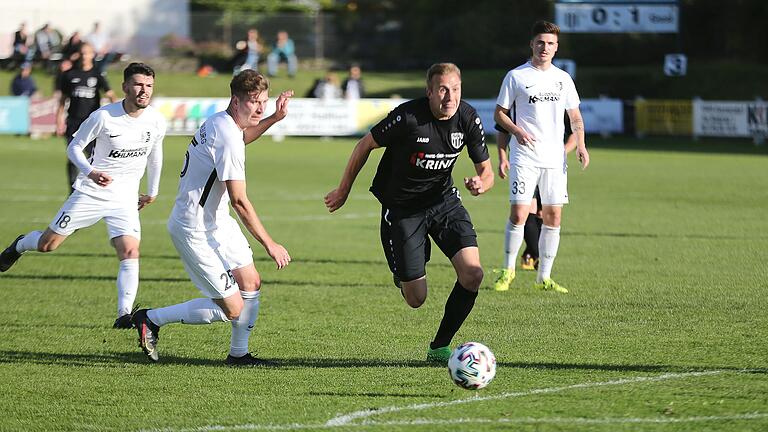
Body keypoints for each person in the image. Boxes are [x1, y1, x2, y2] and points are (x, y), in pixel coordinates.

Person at [324, 62, 494, 363]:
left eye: (455, 89)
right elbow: (365, 145)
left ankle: (440, 346)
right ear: (429, 91)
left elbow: (487, 172)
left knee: (473, 274)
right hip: (403, 209)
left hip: (444, 202)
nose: (449, 97)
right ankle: (402, 271)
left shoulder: (467, 117)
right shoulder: (408, 116)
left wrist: (481, 183)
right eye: (442, 90)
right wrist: (343, 189)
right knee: (416, 298)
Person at [131, 70, 294, 366]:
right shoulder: (227, 136)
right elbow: (240, 201)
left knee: (251, 283)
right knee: (233, 308)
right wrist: (270, 244)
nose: (260, 108)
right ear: (236, 101)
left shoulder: (221, 122)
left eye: (264, 102)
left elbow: (242, 137)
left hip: (216, 222)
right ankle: (150, 318)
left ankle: (239, 354)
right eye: (254, 102)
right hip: (193, 228)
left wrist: (273, 119)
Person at [0, 63, 166, 330]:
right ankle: (19, 245)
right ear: (124, 87)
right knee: (47, 245)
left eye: (148, 85)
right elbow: (74, 147)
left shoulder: (156, 120)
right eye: (137, 84)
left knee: (130, 251)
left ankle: (124, 315)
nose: (143, 90)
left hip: (125, 197)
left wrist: (153, 191)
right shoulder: (104, 117)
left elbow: (155, 156)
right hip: (91, 192)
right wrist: (90, 172)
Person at [492, 20, 590, 294]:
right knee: (519, 212)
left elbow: (575, 117)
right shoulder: (516, 76)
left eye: (550, 44)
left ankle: (543, 277)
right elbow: (499, 113)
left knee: (554, 217)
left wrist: (580, 145)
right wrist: (516, 131)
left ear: (556, 48)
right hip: (525, 156)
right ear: (532, 44)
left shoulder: (563, 79)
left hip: (554, 158)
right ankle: (507, 270)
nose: (544, 47)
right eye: (540, 42)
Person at [495, 123, 577, 271]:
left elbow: (575, 132)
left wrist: (562, 151)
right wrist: (502, 157)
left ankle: (531, 253)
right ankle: (535, 255)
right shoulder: (519, 102)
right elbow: (502, 128)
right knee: (525, 212)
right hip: (525, 163)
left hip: (551, 166)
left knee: (542, 213)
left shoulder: (559, 103)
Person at [57, 43, 117, 193]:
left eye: (87, 53)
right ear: (78, 54)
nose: (85, 56)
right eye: (82, 53)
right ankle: (72, 190)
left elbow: (110, 94)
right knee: (72, 156)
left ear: (92, 55)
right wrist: (58, 120)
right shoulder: (69, 74)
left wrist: (119, 114)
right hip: (73, 122)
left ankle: (93, 187)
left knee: (93, 156)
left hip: (92, 123)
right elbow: (62, 100)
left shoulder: (97, 74)